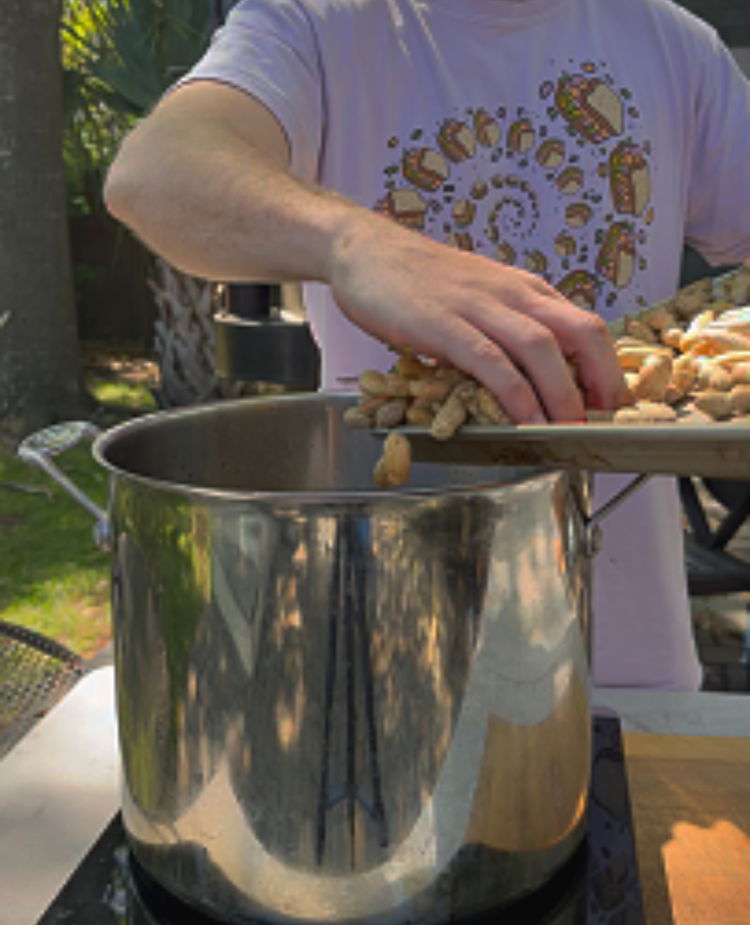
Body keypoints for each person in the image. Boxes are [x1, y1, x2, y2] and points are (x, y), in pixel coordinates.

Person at [103, 0, 750, 691]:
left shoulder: (672, 45)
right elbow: (156, 171)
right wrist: (357, 243)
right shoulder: (317, 22)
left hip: (621, 665)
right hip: (388, 660)